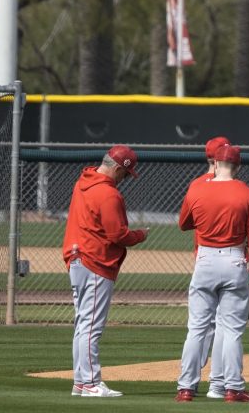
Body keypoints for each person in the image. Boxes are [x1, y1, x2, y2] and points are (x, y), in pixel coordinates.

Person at [174, 138, 249, 403]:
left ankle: (186, 388)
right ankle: (232, 388)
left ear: (215, 163)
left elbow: (183, 224)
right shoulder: (247, 193)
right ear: (237, 166)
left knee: (197, 328)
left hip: (204, 259)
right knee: (232, 329)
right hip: (234, 259)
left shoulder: (196, 189)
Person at [61, 144, 149, 397]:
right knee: (90, 327)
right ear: (119, 168)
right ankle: (89, 382)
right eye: (125, 173)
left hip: (78, 258)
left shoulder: (83, 181)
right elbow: (118, 235)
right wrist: (140, 235)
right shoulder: (109, 194)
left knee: (82, 324)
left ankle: (81, 381)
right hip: (96, 261)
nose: (124, 179)